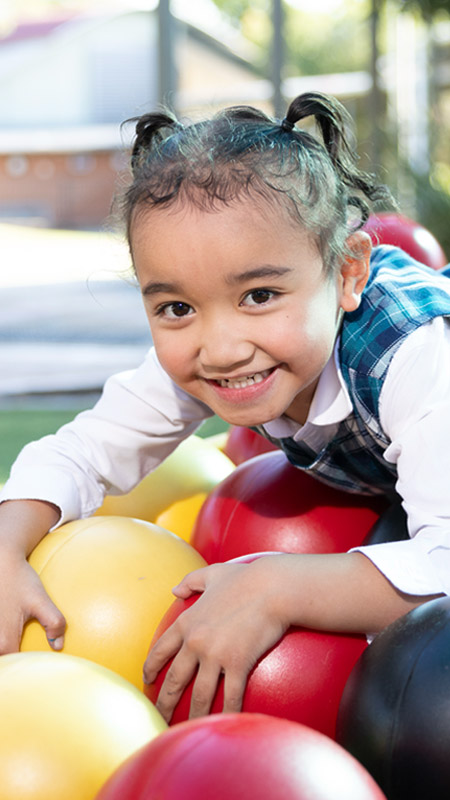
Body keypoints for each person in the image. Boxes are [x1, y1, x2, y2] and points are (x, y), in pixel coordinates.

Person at [1, 92, 450, 724]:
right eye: (176, 308)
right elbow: (82, 450)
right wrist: (7, 544)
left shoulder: (413, 359)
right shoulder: (210, 357)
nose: (220, 348)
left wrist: (277, 584)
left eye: (260, 294)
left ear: (347, 275)